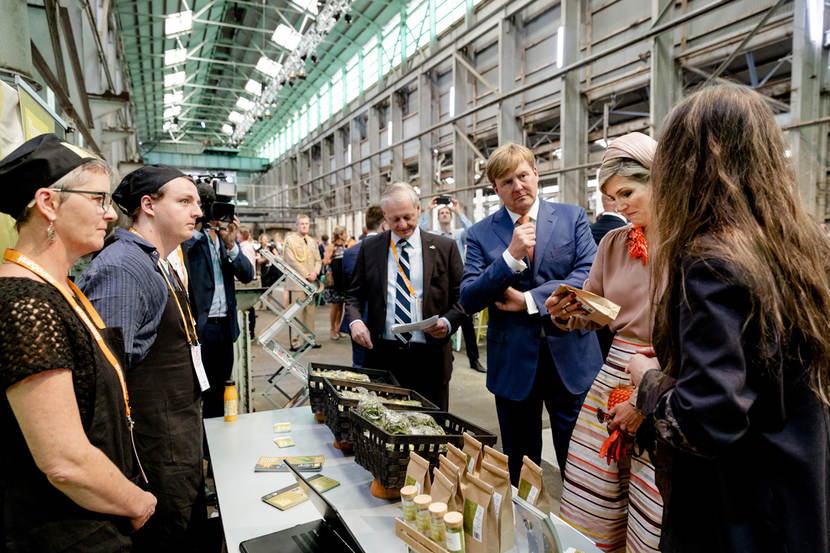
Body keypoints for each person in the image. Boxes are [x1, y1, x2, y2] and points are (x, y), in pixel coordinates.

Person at [627, 85, 830, 553]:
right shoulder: (802, 246)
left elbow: (705, 420)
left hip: (735, 508)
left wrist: (650, 382)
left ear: (684, 167)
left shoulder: (710, 260)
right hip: (796, 490)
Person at [0, 134, 156, 551]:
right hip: (64, 532)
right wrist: (138, 502)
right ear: (48, 203)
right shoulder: (25, 304)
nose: (110, 214)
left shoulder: (60, 289)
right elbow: (64, 461)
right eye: (98, 199)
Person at [77, 165, 206, 552]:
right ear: (148, 205)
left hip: (176, 440)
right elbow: (105, 382)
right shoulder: (123, 268)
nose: (197, 211)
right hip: (152, 455)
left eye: (197, 202)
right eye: (185, 201)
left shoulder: (154, 261)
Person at [546, 133, 662, 553]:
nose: (619, 206)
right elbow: (600, 312)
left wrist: (647, 395)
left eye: (627, 193)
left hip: (664, 377)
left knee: (652, 499)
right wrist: (567, 313)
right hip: (612, 376)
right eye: (612, 197)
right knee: (597, 495)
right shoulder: (614, 243)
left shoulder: (689, 243)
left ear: (659, 180)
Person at [460, 143, 602, 483]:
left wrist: (528, 300)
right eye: (507, 182)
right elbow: (469, 297)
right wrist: (509, 258)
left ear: (536, 175)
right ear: (496, 189)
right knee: (521, 467)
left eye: (523, 176)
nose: (518, 186)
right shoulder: (479, 234)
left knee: (580, 463)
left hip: (571, 359)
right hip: (513, 365)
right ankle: (527, 517)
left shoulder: (572, 218)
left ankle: (577, 518)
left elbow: (589, 273)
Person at [346, 183, 466, 410]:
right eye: (395, 219)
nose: (402, 225)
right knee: (383, 423)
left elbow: (463, 297)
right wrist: (356, 322)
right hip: (383, 356)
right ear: (385, 216)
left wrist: (448, 322)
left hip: (430, 357)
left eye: (408, 217)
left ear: (418, 210)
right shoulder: (370, 248)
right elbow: (353, 296)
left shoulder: (445, 247)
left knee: (432, 424)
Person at [183, 182, 255, 418]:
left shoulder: (225, 240)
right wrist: (198, 226)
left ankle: (214, 438)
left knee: (220, 392)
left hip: (224, 328)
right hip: (201, 328)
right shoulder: (190, 238)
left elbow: (247, 275)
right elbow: (183, 256)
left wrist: (231, 245)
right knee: (197, 392)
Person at [420, 196, 484, 373]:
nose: (444, 214)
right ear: (437, 217)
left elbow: (473, 231)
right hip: (440, 285)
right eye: (441, 213)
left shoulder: (460, 234)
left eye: (447, 212)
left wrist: (459, 212)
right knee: (442, 322)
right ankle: (447, 355)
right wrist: (427, 211)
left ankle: (474, 359)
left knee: (466, 321)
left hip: (459, 283)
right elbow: (418, 231)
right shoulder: (433, 235)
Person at [340, 205, 385, 367]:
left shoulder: (349, 252)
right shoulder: (385, 249)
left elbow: (347, 288)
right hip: (380, 319)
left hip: (357, 317)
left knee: (359, 364)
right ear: (384, 224)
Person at [283, 214, 322, 350]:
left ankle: (309, 339)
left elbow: (318, 260)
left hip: (311, 282)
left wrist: (315, 272)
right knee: (297, 313)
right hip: (297, 283)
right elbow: (291, 261)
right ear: (297, 225)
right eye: (302, 224)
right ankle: (295, 342)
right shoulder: (290, 241)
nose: (304, 226)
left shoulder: (312, 241)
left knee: (310, 313)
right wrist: (306, 274)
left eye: (306, 224)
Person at [322, 226, 348, 340]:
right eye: (345, 233)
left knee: (341, 304)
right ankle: (332, 328)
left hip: (343, 278)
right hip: (335, 279)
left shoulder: (344, 246)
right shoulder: (331, 246)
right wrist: (336, 260)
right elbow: (325, 261)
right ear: (340, 235)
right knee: (335, 305)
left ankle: (339, 327)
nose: (346, 235)